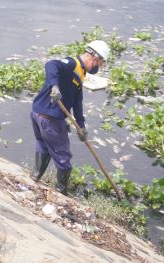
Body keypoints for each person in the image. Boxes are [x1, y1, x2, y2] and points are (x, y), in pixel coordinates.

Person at [30, 40, 110, 194]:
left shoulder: (81, 74)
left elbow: (77, 102)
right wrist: (54, 86)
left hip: (38, 114)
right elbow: (51, 65)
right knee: (63, 156)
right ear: (94, 58)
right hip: (50, 118)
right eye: (99, 63)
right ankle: (62, 191)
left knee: (43, 145)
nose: (98, 67)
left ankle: (35, 176)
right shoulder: (71, 64)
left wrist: (81, 126)